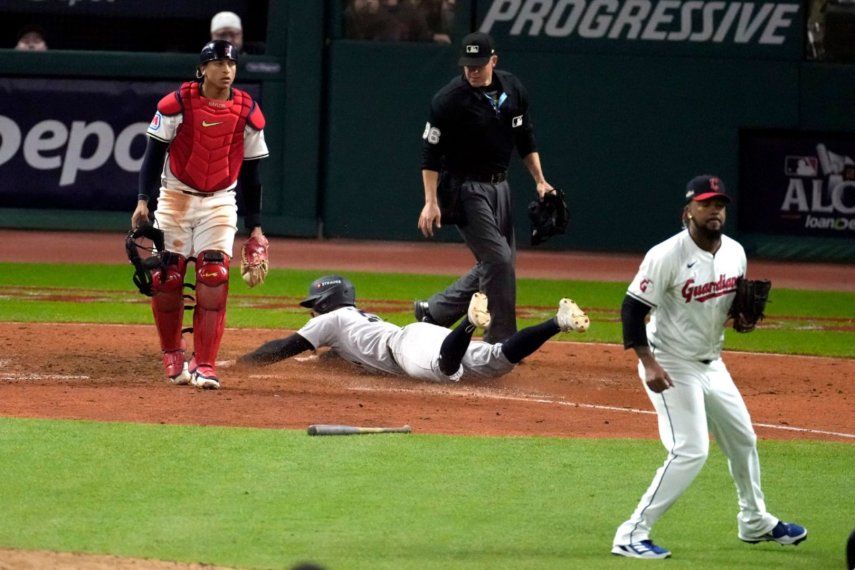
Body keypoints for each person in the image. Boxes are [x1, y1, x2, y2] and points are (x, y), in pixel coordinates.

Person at [611, 175, 807, 559]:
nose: (715, 210)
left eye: (719, 203)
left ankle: (754, 521)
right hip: (670, 362)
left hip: (712, 363)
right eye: (706, 203)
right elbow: (632, 309)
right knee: (691, 450)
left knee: (743, 439)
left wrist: (741, 320)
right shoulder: (666, 254)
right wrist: (648, 363)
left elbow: (730, 307)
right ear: (688, 211)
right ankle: (631, 533)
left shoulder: (735, 252)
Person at [131, 40, 269, 390]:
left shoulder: (248, 112)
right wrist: (143, 201)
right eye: (219, 63)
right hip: (176, 197)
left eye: (232, 64)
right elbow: (152, 156)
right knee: (168, 278)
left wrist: (255, 229)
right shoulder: (176, 105)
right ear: (203, 68)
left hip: (220, 200)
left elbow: (253, 177)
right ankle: (172, 353)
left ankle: (205, 364)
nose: (227, 70)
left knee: (213, 276)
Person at [415, 31, 555, 344]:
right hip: (464, 189)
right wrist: (431, 201)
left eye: (479, 64)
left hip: (500, 186)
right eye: (468, 65)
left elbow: (525, 139)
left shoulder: (513, 88)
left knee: (499, 263)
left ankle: (435, 312)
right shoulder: (448, 100)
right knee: (499, 261)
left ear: (494, 60)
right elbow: (430, 153)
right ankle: (501, 339)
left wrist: (540, 181)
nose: (473, 71)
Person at [239, 275, 589, 381]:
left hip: (408, 348)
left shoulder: (332, 320)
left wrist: (240, 366)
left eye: (314, 307)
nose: (312, 315)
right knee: (498, 360)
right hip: (421, 335)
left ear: (326, 303)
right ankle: (557, 322)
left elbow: (283, 348)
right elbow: (338, 356)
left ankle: (468, 322)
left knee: (444, 369)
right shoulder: (355, 322)